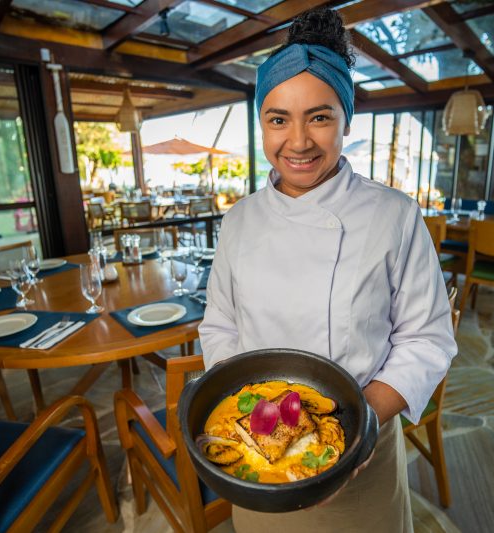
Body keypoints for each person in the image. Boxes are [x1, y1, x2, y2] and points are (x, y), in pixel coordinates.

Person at [199, 8, 457, 532]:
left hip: (364, 443)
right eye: (278, 118)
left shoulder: (394, 215)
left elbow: (428, 340)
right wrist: (249, 416)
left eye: (319, 116)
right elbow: (220, 326)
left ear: (346, 120)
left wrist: (357, 430)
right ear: (261, 123)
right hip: (256, 454)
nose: (297, 141)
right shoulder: (239, 220)